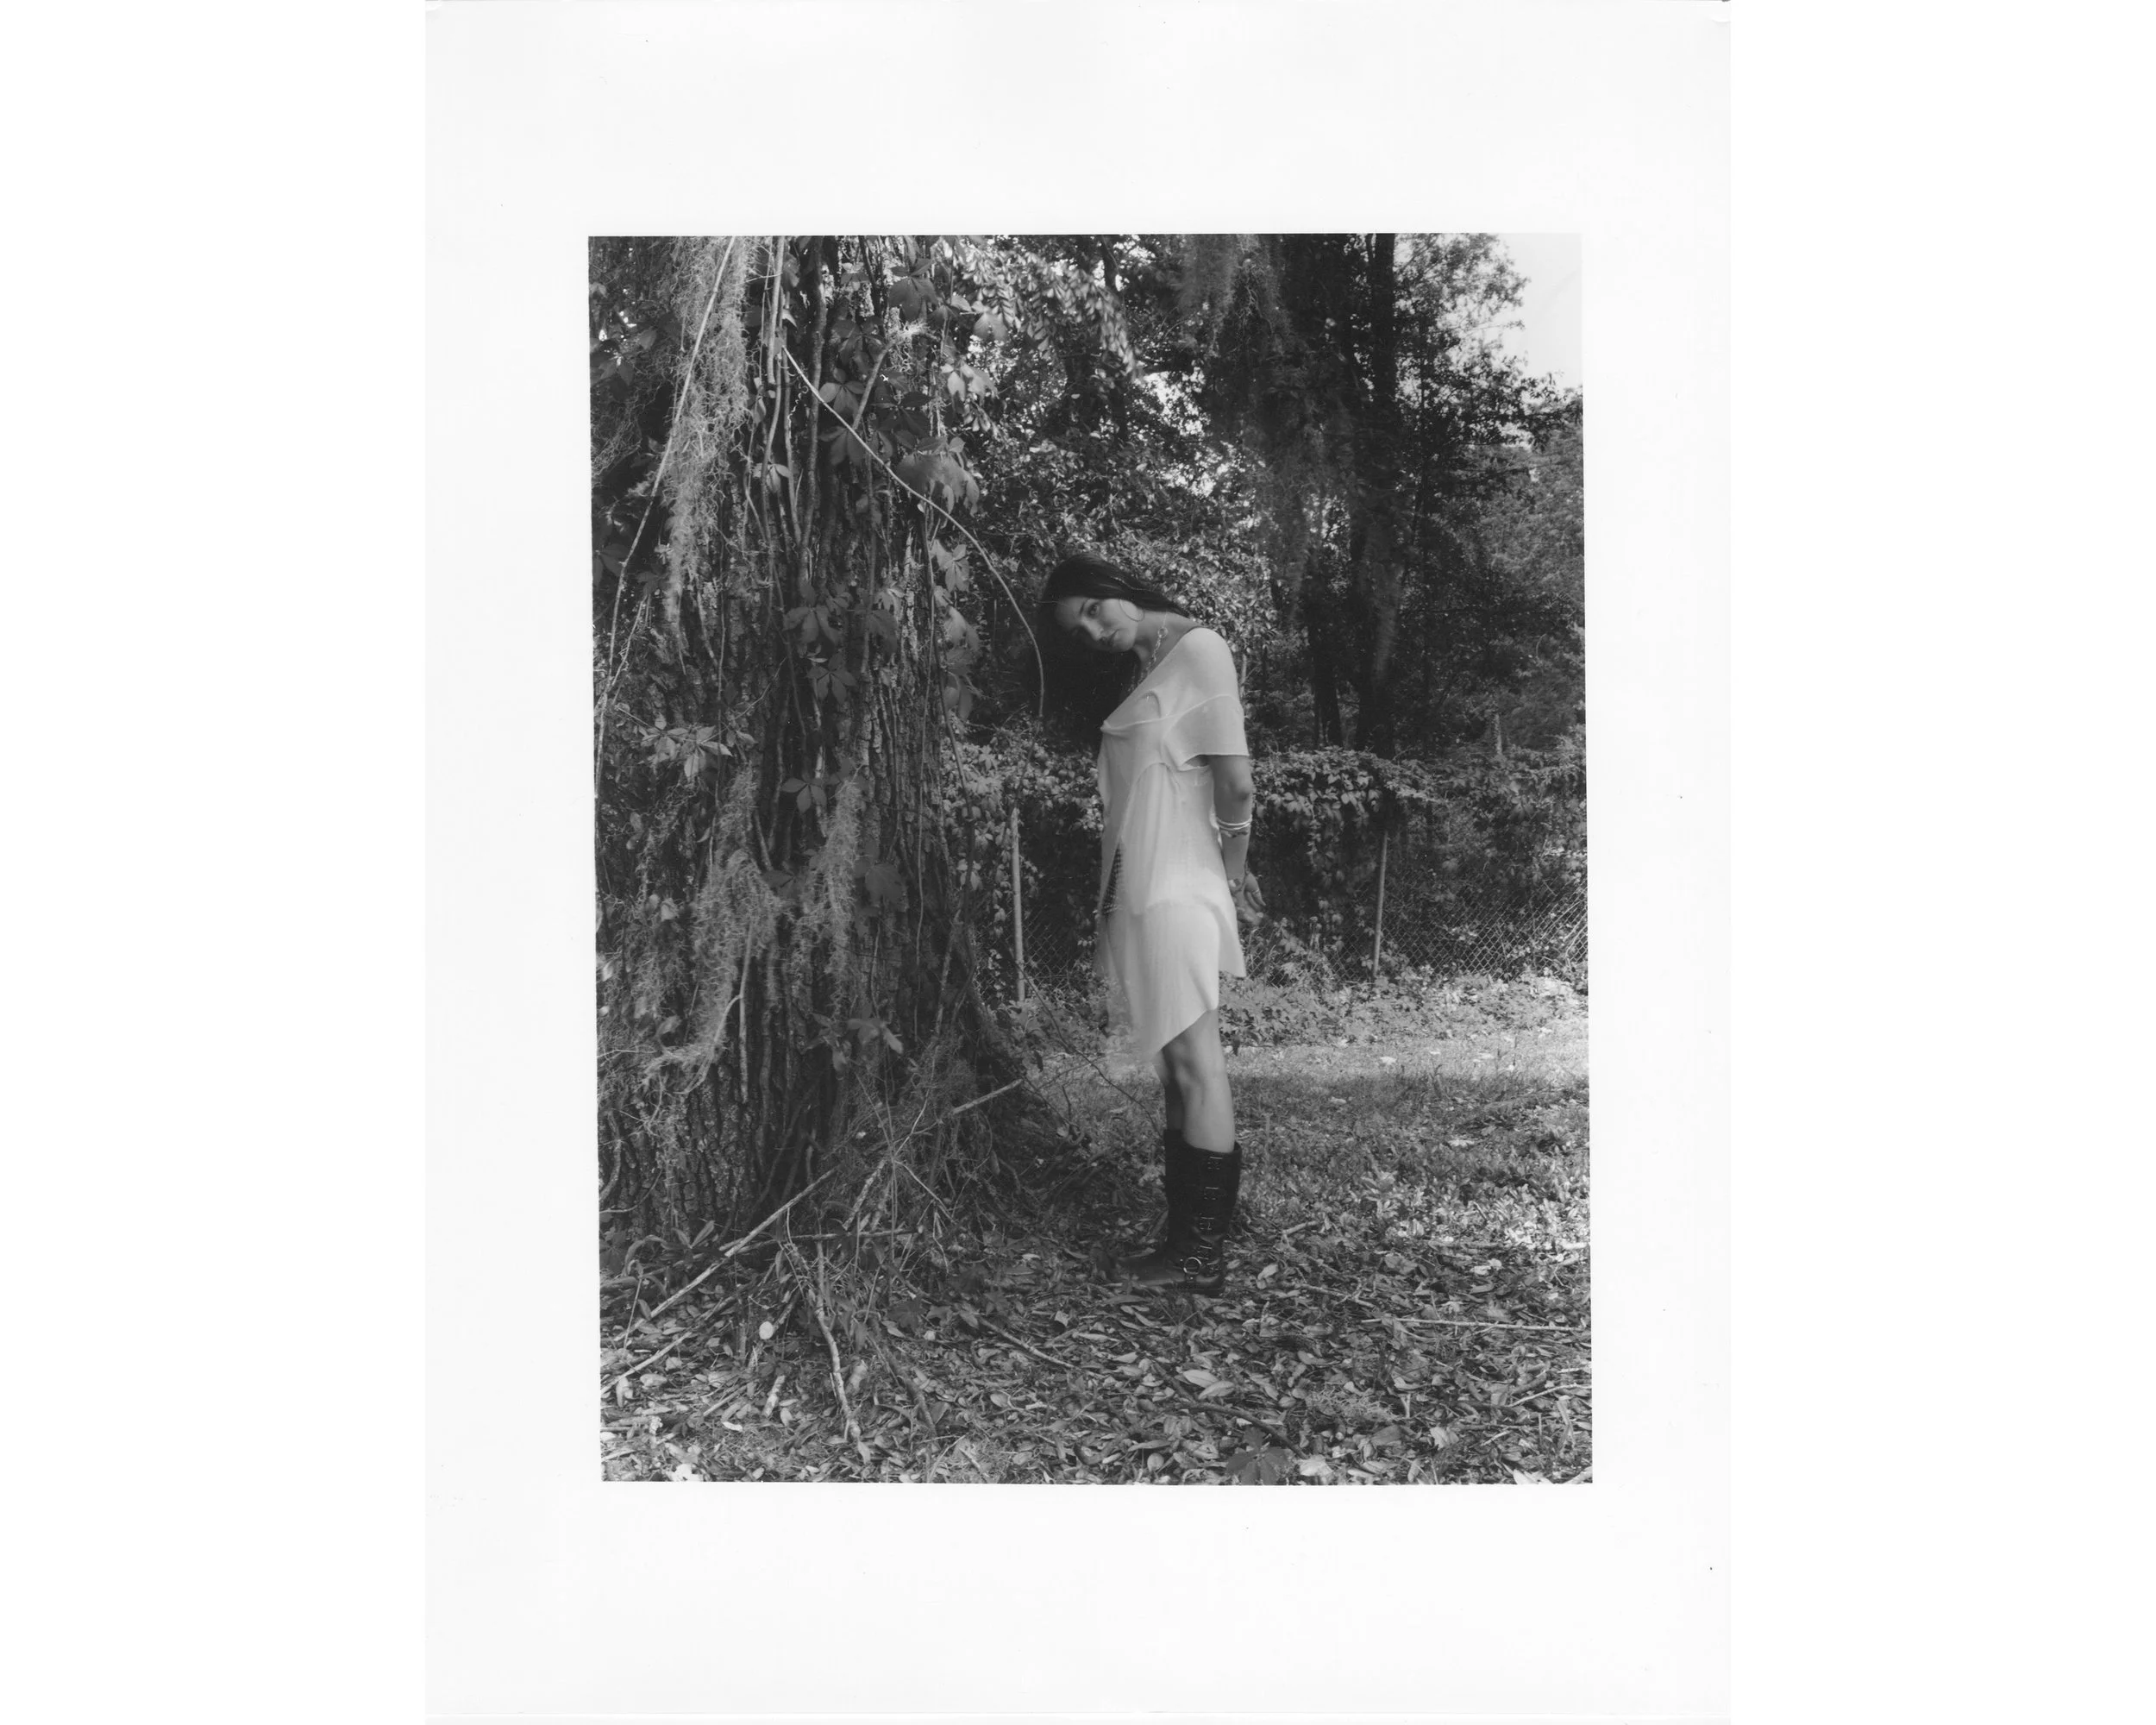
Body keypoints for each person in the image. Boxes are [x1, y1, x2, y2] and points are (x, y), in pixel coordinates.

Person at [1037, 552, 1263, 1295]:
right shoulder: (1151, 670)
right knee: (1175, 1067)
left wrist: (1229, 873)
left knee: (1196, 1063)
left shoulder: (1199, 648)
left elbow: (1235, 781)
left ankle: (1199, 1257)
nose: (1095, 631)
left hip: (1176, 889)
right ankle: (1183, 1241)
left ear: (1117, 590)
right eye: (1080, 630)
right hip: (1146, 890)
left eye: (1094, 610)